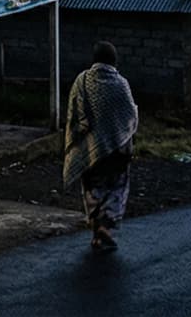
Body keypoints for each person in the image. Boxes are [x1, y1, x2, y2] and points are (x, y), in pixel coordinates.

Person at [62, 41, 138, 251]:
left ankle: (96, 230)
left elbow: (74, 114)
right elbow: (130, 116)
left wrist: (75, 139)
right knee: (116, 187)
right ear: (114, 61)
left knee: (92, 187)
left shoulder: (82, 81)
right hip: (117, 149)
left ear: (94, 60)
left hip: (90, 150)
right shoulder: (121, 83)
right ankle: (105, 227)